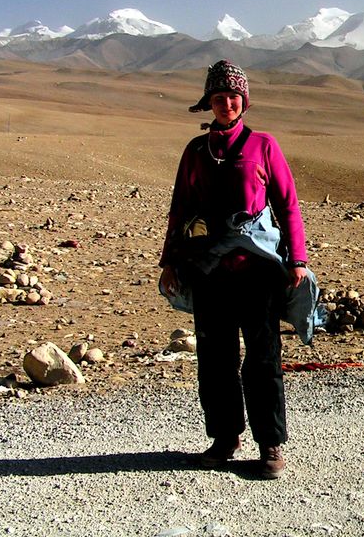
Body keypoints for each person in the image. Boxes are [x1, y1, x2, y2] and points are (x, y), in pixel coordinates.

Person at [159, 60, 310, 479]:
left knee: (263, 359)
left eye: (233, 97)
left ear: (244, 102)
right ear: (208, 102)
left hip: (257, 272)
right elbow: (180, 210)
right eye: (218, 97)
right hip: (208, 272)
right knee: (214, 359)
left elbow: (288, 204)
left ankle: (270, 444)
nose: (226, 103)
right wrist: (170, 261)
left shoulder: (264, 145)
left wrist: (297, 259)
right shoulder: (195, 151)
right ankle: (225, 439)